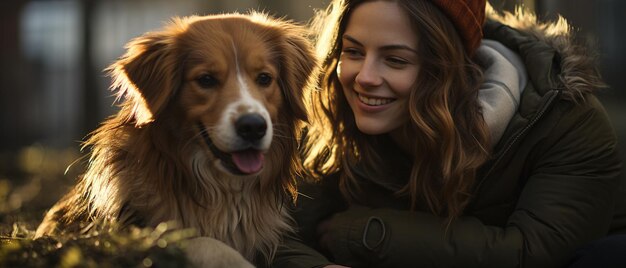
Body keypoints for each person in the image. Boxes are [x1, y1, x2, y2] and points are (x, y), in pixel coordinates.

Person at [268, 0, 626, 267]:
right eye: (354, 52)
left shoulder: (563, 121)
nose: (364, 77)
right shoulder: (332, 118)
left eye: (395, 60)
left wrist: (366, 233)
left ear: (448, 69)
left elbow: (532, 254)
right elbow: (274, 235)